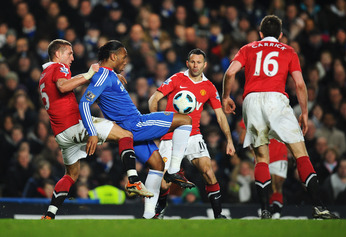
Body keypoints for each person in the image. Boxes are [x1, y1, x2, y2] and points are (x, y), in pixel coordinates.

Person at [222, 15, 338, 219]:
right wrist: (304, 113)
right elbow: (300, 84)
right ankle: (319, 207)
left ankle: (265, 210)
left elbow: (230, 73)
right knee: (301, 154)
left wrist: (226, 97)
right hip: (277, 99)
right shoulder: (289, 51)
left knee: (261, 158)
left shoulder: (248, 48)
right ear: (281, 35)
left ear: (260, 34)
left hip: (252, 100)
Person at [78, 40, 195, 219]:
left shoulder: (108, 75)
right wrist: (92, 132)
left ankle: (149, 216)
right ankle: (174, 170)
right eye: (124, 57)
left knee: (157, 165)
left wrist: (114, 78)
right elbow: (84, 103)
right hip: (135, 124)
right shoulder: (103, 76)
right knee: (186, 119)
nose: (126, 61)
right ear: (113, 56)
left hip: (131, 130)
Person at [39, 39, 151, 220]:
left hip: (61, 134)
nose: (72, 58)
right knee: (126, 135)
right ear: (58, 54)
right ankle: (133, 180)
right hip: (74, 125)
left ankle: (49, 215)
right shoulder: (59, 68)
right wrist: (91, 72)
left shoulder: (44, 74)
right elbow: (63, 86)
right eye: (69, 53)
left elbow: (68, 83)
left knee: (71, 175)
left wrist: (100, 74)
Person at [148, 48, 235, 219]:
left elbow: (220, 116)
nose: (195, 65)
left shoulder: (209, 87)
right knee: (164, 183)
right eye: (192, 62)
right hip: (170, 135)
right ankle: (160, 209)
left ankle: (219, 215)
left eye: (199, 62)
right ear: (188, 63)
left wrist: (230, 140)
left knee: (208, 171)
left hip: (193, 136)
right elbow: (154, 99)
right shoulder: (177, 78)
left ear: (205, 65)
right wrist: (156, 126)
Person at [239, 119, 288, 219]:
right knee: (267, 187)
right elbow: (242, 137)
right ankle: (269, 210)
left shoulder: (278, 106)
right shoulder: (251, 107)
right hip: (261, 154)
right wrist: (252, 150)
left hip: (279, 152)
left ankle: (276, 212)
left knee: (277, 184)